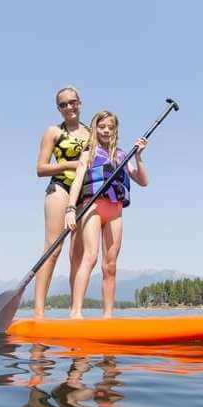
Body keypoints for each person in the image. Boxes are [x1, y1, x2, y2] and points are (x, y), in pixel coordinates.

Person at [65, 110, 148, 319]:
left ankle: (108, 315)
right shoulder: (89, 152)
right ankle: (76, 312)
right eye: (102, 127)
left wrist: (138, 156)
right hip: (92, 208)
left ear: (115, 130)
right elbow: (77, 182)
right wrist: (70, 209)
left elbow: (143, 181)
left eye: (110, 128)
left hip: (115, 212)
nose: (106, 131)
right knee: (90, 257)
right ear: (95, 129)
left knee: (110, 266)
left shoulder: (122, 155)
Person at [34, 86, 90, 319]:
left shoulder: (92, 132)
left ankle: (74, 312)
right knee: (53, 248)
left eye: (73, 102)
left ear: (80, 102)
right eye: (63, 104)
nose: (69, 107)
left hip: (85, 192)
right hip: (60, 188)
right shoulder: (53, 132)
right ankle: (38, 312)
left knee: (77, 253)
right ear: (58, 109)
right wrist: (70, 165)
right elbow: (41, 168)